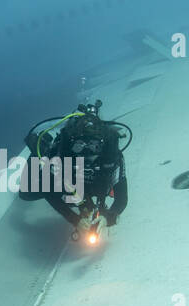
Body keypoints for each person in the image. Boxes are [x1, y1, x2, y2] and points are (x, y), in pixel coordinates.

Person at [19, 100, 129, 233]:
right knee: (26, 192)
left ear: (103, 143)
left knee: (98, 191)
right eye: (81, 146)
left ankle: (85, 201)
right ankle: (41, 149)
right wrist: (74, 219)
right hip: (70, 180)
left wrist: (108, 218)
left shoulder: (111, 155)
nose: (87, 152)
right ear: (73, 143)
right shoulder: (65, 153)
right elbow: (47, 191)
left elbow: (121, 197)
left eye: (93, 146)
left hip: (93, 184)